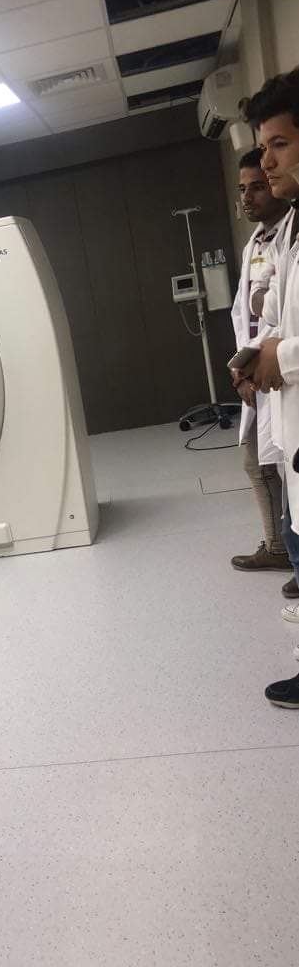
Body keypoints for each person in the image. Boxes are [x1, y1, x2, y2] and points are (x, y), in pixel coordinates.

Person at [240, 67, 299, 707]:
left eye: (279, 144)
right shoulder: (292, 228)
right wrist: (260, 350)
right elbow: (280, 315)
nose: (267, 160)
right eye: (264, 147)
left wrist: (281, 353)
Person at [230, 148, 291, 583]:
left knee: (276, 464)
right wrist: (241, 368)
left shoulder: (289, 237)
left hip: (283, 369)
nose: (247, 197)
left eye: (256, 187)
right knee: (259, 461)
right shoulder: (255, 243)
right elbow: (244, 311)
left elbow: (276, 312)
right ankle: (281, 548)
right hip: (258, 368)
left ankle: (283, 550)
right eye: (242, 189)